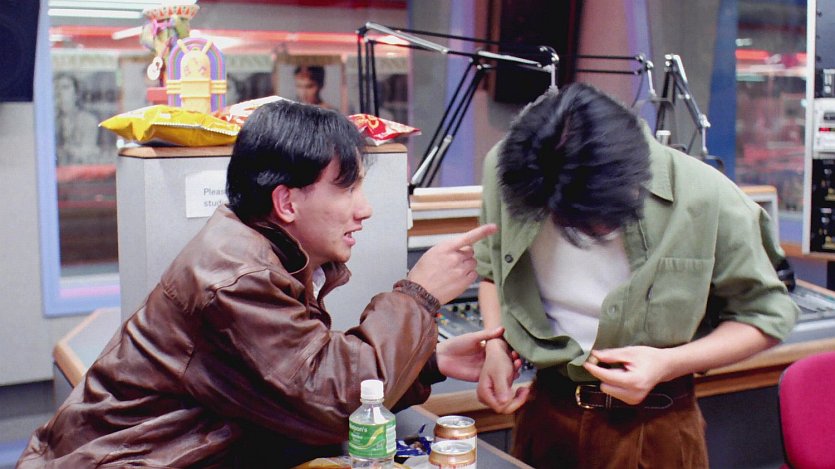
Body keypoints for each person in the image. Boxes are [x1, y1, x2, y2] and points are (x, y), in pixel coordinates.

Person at [18, 100, 514, 468]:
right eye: (347, 188)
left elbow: (298, 384)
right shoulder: (238, 279)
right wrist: (419, 294)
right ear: (287, 203)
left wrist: (430, 361)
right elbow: (332, 401)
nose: (364, 209)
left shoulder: (264, 254)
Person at [474, 83, 799, 468]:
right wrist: (495, 346)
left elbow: (765, 316)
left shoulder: (706, 196)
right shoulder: (512, 171)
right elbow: (491, 272)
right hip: (546, 414)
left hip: (657, 424)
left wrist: (668, 363)